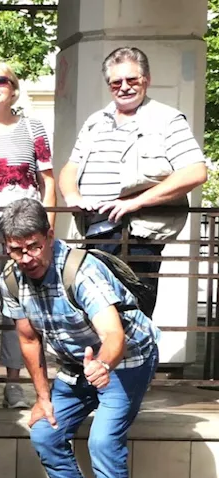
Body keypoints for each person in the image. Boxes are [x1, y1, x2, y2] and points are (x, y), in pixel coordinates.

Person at [0, 198, 160, 478]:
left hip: (125, 358)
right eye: (16, 249)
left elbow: (113, 334)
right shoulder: (11, 277)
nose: (26, 258)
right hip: (76, 365)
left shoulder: (81, 271)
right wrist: (41, 397)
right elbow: (28, 339)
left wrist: (103, 366)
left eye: (34, 246)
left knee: (104, 443)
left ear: (49, 236)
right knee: (45, 433)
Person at [58, 46, 207, 317]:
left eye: (132, 80)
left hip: (137, 235)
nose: (124, 87)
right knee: (96, 311)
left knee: (133, 313)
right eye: (116, 82)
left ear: (146, 80)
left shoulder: (166, 119)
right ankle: (102, 361)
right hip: (95, 234)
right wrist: (72, 197)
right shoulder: (95, 122)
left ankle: (134, 359)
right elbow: (70, 168)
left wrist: (136, 203)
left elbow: (195, 171)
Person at [0, 61, 55, 410]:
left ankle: (16, 385)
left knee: (21, 304)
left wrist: (47, 226)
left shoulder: (33, 126)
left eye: (0, 80)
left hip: (27, 228)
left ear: (13, 87)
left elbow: (47, 179)